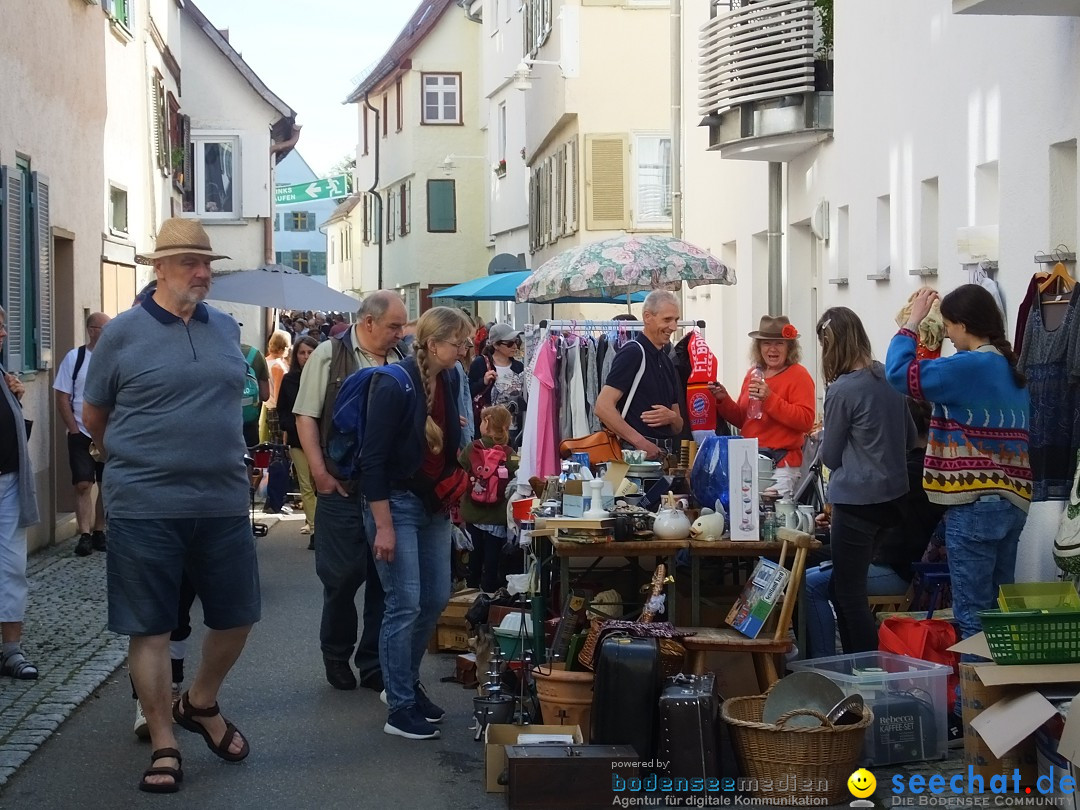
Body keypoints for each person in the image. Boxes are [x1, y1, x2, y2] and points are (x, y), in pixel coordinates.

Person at [83, 218, 259, 792]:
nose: (202, 273)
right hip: (145, 503)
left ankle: (200, 703)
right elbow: (95, 416)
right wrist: (137, 463)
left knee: (237, 616)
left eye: (206, 263)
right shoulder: (123, 333)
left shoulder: (226, 330)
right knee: (152, 627)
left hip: (223, 500)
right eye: (188, 262)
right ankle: (163, 739)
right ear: (158, 268)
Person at [886, 285, 1031, 647]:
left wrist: (912, 322)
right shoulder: (1009, 370)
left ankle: (976, 702)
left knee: (973, 619)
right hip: (1013, 503)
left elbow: (899, 374)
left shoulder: (968, 366)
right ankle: (1005, 698)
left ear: (964, 325)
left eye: (949, 325)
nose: (947, 334)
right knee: (998, 614)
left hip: (974, 505)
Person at [361, 306, 471, 739]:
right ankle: (399, 706)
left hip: (433, 502)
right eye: (458, 342)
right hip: (396, 502)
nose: (464, 350)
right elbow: (372, 461)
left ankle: (404, 686)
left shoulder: (451, 377)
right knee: (403, 601)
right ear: (433, 343)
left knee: (435, 598)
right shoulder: (392, 383)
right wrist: (383, 525)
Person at [293, 291, 406, 692]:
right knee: (340, 578)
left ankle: (373, 661)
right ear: (369, 322)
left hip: (385, 488)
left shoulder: (399, 359)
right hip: (341, 485)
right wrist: (320, 474)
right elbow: (305, 416)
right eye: (394, 325)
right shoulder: (329, 353)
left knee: (382, 579)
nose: (400, 333)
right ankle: (336, 653)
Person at [805, 307, 915, 655]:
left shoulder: (842, 389)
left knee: (848, 594)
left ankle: (861, 672)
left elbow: (831, 457)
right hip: (894, 502)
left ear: (830, 344)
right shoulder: (890, 378)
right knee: (847, 590)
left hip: (857, 503)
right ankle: (859, 667)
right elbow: (911, 438)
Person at [805, 397, 946, 658]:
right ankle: (836, 662)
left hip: (898, 569)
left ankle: (826, 665)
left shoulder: (914, 470)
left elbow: (876, 516)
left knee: (812, 585)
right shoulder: (910, 467)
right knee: (810, 570)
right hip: (883, 558)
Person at [709, 315, 816, 498]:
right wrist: (723, 399)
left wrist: (769, 399)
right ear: (759, 347)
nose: (772, 349)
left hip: (781, 466)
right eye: (766, 343)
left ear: (789, 347)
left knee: (770, 518)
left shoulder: (799, 375)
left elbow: (805, 421)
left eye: (779, 343)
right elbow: (744, 420)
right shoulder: (754, 373)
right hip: (749, 460)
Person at [594, 290, 684, 460]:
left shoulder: (666, 361)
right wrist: (642, 444)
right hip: (636, 457)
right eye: (667, 319)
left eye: (676, 320)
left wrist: (672, 418)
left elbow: (678, 426)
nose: (673, 327)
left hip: (664, 455)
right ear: (647, 317)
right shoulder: (633, 353)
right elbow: (602, 407)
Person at [0, 306, 40, 682]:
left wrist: (18, 399)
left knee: (12, 566)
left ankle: (11, 647)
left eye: (2, 327)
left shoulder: (4, 375)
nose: (3, 334)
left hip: (10, 482)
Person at [54, 311, 111, 557]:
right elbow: (62, 396)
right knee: (83, 484)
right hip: (81, 431)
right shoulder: (74, 358)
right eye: (104, 328)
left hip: (108, 433)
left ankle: (99, 530)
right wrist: (74, 429)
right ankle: (85, 534)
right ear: (91, 330)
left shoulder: (113, 359)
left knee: (106, 484)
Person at [459, 405, 519, 593]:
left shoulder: (472, 448)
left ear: (486, 423)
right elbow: (518, 476)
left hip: (472, 514)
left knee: (474, 557)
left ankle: (471, 592)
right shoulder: (509, 452)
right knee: (492, 561)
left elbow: (459, 472)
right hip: (497, 517)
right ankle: (489, 596)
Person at [277, 336, 319, 546]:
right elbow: (282, 409)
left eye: (310, 352)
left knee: (318, 481)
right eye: (302, 353)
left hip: (320, 438)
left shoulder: (323, 376)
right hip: (297, 438)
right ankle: (315, 529)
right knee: (306, 484)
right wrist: (290, 425)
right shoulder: (289, 379)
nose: (306, 357)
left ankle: (322, 525)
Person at [469, 323, 526, 443]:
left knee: (512, 459)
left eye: (517, 342)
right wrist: (483, 382)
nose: (515, 346)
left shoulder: (519, 367)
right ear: (496, 345)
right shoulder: (481, 364)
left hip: (514, 428)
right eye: (510, 343)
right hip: (489, 429)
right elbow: (468, 393)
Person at [261, 330, 292, 515]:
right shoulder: (279, 366)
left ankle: (273, 499)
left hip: (268, 409)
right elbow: (281, 394)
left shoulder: (266, 361)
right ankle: (275, 500)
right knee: (280, 453)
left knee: (274, 452)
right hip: (277, 411)